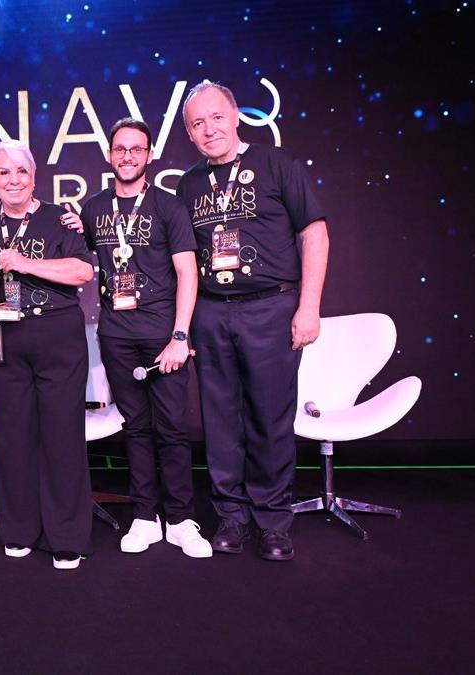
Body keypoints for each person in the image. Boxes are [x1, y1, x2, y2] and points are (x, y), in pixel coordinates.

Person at [176, 80, 329, 562]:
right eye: (198, 123)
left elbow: (315, 233)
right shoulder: (189, 184)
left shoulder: (277, 164)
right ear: (189, 133)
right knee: (220, 420)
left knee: (269, 418)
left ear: (236, 116)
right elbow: (182, 259)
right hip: (211, 311)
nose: (209, 129)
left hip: (271, 307)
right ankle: (231, 517)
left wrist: (309, 306)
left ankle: (273, 521)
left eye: (216, 117)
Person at [79, 118, 211, 558]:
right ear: (109, 155)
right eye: (121, 149)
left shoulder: (168, 207)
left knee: (171, 428)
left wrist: (180, 336)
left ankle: (181, 519)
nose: (128, 156)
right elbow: (78, 256)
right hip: (116, 335)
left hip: (163, 336)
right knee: (135, 428)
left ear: (149, 155)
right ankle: (145, 516)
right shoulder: (93, 209)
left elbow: (187, 273)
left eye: (137, 149)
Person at [0, 140, 95, 570]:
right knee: (13, 436)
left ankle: (67, 535)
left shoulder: (59, 218)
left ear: (34, 176)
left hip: (58, 336)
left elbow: (82, 271)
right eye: (4, 173)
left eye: (21, 172)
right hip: (5, 336)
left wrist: (24, 263)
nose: (13, 180)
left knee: (63, 435)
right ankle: (19, 529)